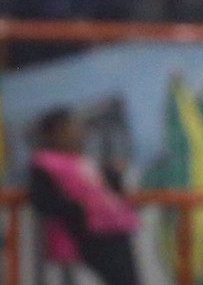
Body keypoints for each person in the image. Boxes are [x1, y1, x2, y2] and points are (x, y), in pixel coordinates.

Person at [28, 109, 139, 285]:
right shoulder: (44, 162)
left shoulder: (82, 160)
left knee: (126, 279)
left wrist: (113, 175)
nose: (79, 133)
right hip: (86, 233)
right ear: (57, 132)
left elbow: (104, 189)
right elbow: (43, 199)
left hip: (113, 228)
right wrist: (79, 211)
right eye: (72, 128)